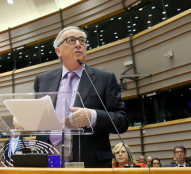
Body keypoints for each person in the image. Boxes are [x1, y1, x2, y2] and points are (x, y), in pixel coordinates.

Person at [33, 26, 129, 168]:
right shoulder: (42, 80)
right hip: (49, 162)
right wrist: (27, 120)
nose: (78, 44)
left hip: (89, 163)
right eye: (71, 40)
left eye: (82, 41)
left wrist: (93, 116)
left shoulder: (104, 78)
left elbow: (122, 120)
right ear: (58, 51)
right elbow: (40, 119)